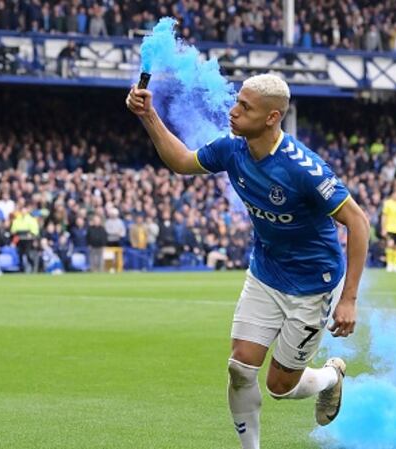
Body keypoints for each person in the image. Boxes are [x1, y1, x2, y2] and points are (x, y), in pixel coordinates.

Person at [126, 73, 370, 449]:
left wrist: (349, 298)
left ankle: (330, 378)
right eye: (237, 101)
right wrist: (148, 115)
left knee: (279, 386)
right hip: (265, 273)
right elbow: (181, 161)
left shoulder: (303, 168)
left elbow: (357, 220)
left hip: (312, 284)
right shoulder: (231, 149)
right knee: (239, 368)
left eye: (245, 107)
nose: (233, 111)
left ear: (272, 118)